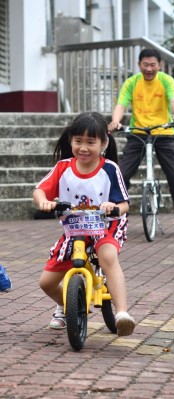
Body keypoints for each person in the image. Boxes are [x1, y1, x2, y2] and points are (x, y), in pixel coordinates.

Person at [33, 112, 135, 337]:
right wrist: (44, 202)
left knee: (107, 256)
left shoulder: (109, 169)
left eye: (91, 142)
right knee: (46, 283)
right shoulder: (63, 167)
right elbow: (40, 189)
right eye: (78, 141)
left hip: (106, 225)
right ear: (71, 141)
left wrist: (112, 207)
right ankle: (68, 306)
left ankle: (122, 314)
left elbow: (124, 204)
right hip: (75, 227)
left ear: (103, 143)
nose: (84, 148)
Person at [108, 48, 174, 236]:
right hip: (138, 133)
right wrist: (115, 122)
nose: (149, 68)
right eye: (145, 64)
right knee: (121, 175)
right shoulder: (132, 83)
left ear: (159, 65)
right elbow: (121, 104)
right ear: (139, 65)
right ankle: (116, 217)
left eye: (153, 65)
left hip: (163, 132)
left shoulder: (166, 81)